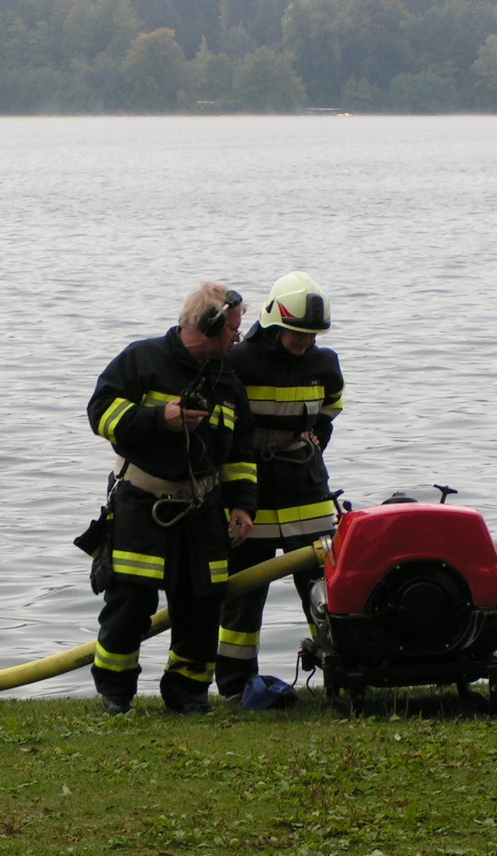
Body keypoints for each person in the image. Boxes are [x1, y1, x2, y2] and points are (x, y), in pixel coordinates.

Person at [87, 281, 258, 715]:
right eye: (232, 330)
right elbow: (100, 413)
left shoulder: (228, 381)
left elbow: (240, 453)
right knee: (130, 601)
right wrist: (158, 418)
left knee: (202, 605)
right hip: (142, 504)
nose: (238, 338)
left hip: (202, 510)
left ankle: (187, 691)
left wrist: (242, 505)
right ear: (208, 327)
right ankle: (115, 692)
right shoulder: (142, 360)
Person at [216, 271, 345, 698]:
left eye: (312, 336)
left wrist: (317, 435)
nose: (306, 343)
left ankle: (342, 674)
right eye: (298, 335)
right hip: (250, 492)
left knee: (324, 593)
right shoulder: (238, 362)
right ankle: (235, 686)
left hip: (306, 492)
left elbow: (333, 404)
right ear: (274, 323)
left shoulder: (325, 363)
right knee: (242, 598)